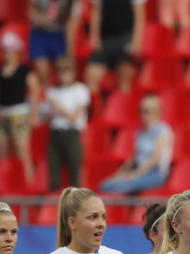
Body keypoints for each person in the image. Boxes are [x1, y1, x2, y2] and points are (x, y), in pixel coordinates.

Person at [99, 94, 173, 194]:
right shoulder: (140, 132)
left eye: (146, 111)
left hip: (155, 174)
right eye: (141, 111)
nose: (143, 114)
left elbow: (155, 159)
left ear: (156, 112)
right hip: (140, 172)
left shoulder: (163, 130)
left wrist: (135, 174)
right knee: (105, 185)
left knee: (120, 186)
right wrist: (118, 174)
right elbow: (133, 158)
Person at [40, 57, 90, 191]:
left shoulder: (80, 90)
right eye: (61, 72)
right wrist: (53, 111)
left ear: (73, 73)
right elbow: (45, 119)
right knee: (53, 177)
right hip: (55, 135)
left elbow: (74, 118)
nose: (64, 75)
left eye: (67, 71)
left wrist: (58, 108)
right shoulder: (52, 91)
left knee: (75, 176)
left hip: (72, 135)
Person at [0, 33, 39, 186]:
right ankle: (4, 184)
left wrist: (33, 114)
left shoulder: (24, 71)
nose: (7, 53)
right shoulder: (2, 72)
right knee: (2, 153)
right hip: (3, 114)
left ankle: (29, 184)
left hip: (19, 114)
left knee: (23, 152)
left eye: (9, 50)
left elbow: (35, 91)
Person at [84, 0, 146, 94]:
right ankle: (97, 107)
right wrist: (94, 38)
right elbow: (97, 12)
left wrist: (136, 42)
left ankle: (122, 107)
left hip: (126, 39)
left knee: (125, 74)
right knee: (91, 75)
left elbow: (139, 15)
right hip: (105, 40)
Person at [28, 0, 80, 90]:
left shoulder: (73, 2)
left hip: (60, 36)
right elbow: (30, 11)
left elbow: (71, 26)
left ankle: (63, 97)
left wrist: (69, 52)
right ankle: (46, 97)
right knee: (42, 72)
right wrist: (40, 19)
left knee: (64, 70)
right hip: (39, 34)